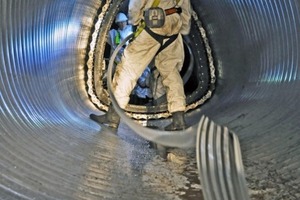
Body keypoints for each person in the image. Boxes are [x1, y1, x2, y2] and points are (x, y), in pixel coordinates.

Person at [90, 0, 192, 130]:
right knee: (171, 73)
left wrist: (135, 21)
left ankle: (113, 115)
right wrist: (182, 28)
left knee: (128, 69)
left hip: (153, 25)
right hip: (173, 29)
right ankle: (178, 119)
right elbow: (186, 8)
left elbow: (135, 5)